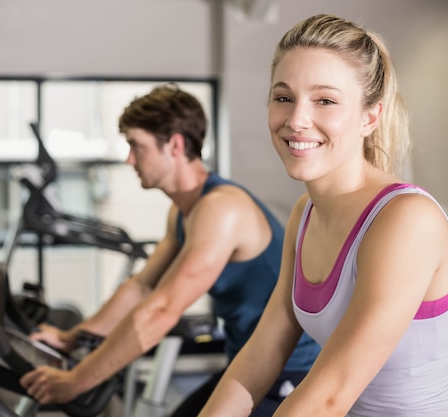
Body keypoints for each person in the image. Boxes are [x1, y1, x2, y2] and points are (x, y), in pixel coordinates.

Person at [198, 14, 448, 417]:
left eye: (324, 100)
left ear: (369, 117)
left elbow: (330, 395)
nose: (296, 120)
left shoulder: (405, 220)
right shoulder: (305, 214)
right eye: (283, 97)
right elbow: (260, 356)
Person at [19, 83, 320, 416]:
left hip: (290, 375)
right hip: (247, 362)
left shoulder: (222, 209)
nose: (129, 158)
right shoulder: (183, 209)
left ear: (175, 144)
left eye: (136, 145)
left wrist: (74, 381)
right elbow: (142, 287)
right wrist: (71, 338)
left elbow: (161, 311)